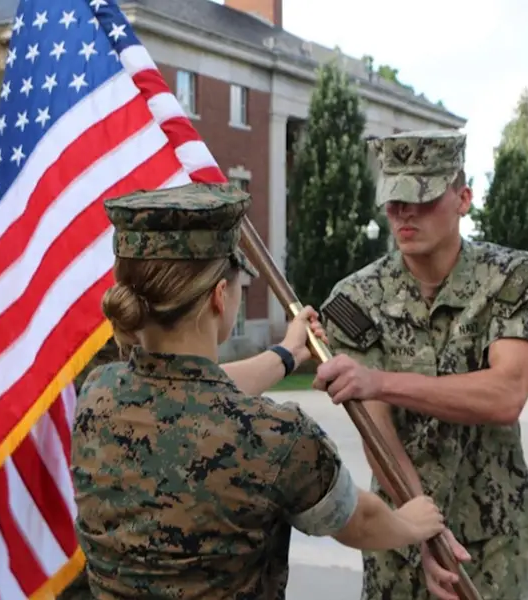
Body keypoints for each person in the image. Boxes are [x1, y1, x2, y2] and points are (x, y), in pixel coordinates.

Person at [65, 182, 448, 599]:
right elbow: (359, 521)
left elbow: (192, 389)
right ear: (220, 296)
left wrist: (287, 352)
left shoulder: (98, 394)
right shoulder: (275, 437)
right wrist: (412, 523)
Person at [313, 130, 528, 600]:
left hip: (493, 534)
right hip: (397, 528)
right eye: (394, 200)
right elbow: (376, 433)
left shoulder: (516, 279)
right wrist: (422, 531)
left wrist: (379, 382)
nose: (405, 213)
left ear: (463, 198)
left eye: (421, 199)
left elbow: (505, 395)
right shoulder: (355, 299)